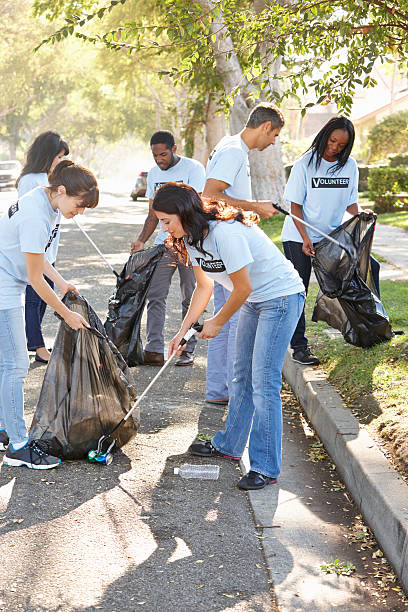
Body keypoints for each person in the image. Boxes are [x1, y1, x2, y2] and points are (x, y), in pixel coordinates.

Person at [153, 183, 305, 490]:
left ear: (184, 213)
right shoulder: (193, 239)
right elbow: (204, 288)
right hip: (253, 301)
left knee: (264, 382)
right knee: (240, 375)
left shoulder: (225, 233)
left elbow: (243, 287)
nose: (164, 227)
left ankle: (265, 466)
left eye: (167, 220)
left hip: (281, 297)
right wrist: (183, 332)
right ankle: (229, 446)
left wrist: (218, 322)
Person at [0, 160, 99, 469]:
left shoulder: (49, 205)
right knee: (16, 364)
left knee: (7, 363)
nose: (79, 212)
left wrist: (63, 283)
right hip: (4, 284)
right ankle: (17, 446)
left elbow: (36, 257)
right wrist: (65, 313)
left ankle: (5, 428)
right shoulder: (35, 215)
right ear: (61, 190)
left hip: (10, 279)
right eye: (79, 205)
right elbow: (33, 278)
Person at [202, 103, 283, 405]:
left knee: (226, 317)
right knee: (233, 318)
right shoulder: (234, 150)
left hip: (226, 241)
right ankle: (233, 392)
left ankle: (221, 390)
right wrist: (255, 206)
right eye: (274, 134)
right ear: (265, 127)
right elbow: (209, 196)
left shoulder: (229, 145)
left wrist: (247, 212)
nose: (273, 141)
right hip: (227, 245)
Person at [281, 115, 379, 366]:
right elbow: (294, 206)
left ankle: (368, 328)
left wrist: (362, 214)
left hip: (331, 238)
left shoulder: (349, 166)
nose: (335, 148)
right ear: (325, 135)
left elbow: (351, 204)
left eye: (341, 145)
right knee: (297, 291)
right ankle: (299, 346)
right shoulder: (305, 164)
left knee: (368, 270)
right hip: (298, 236)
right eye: (332, 141)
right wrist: (305, 238)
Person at [130, 130, 205, 367]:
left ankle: (186, 348)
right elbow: (153, 213)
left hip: (189, 241)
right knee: (155, 294)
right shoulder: (153, 174)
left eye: (163, 154)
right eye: (155, 155)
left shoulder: (193, 169)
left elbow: (198, 207)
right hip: (163, 244)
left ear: (174, 149)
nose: (159, 159)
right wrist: (142, 240)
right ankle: (153, 349)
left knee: (190, 296)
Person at [16, 131, 69, 364]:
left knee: (44, 297)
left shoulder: (51, 179)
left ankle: (33, 342)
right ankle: (36, 346)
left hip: (50, 252)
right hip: (36, 250)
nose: (60, 161)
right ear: (47, 155)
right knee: (34, 298)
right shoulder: (31, 180)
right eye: (58, 157)